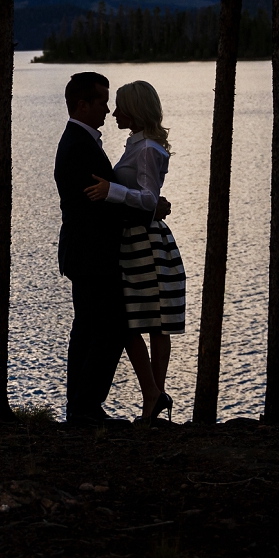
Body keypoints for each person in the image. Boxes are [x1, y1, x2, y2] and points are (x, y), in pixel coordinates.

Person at [53, 72, 172, 425]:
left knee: (91, 329)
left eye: (111, 103)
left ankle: (82, 407)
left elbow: (108, 195)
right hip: (92, 255)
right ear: (82, 104)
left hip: (91, 253)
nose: (108, 109)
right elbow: (96, 202)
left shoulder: (83, 141)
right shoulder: (78, 145)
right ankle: (86, 409)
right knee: (107, 329)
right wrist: (152, 207)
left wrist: (148, 204)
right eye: (103, 102)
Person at [85, 80, 186, 424]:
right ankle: (153, 396)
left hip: (144, 241)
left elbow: (146, 198)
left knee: (143, 322)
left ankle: (153, 397)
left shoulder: (146, 150)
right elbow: (150, 199)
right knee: (142, 322)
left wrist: (110, 189)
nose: (113, 112)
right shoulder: (140, 146)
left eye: (120, 107)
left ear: (136, 109)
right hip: (137, 238)